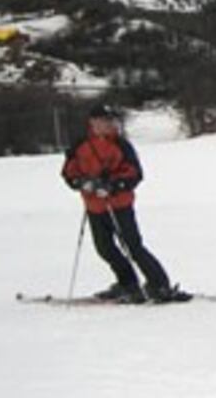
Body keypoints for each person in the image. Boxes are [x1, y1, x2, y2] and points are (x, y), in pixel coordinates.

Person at [61, 104, 187, 303]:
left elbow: (135, 173)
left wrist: (113, 185)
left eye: (110, 120)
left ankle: (159, 283)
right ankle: (127, 283)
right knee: (105, 248)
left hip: (119, 205)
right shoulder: (80, 145)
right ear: (93, 122)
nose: (109, 124)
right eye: (104, 120)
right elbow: (69, 172)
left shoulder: (121, 145)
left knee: (133, 246)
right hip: (94, 207)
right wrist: (83, 183)